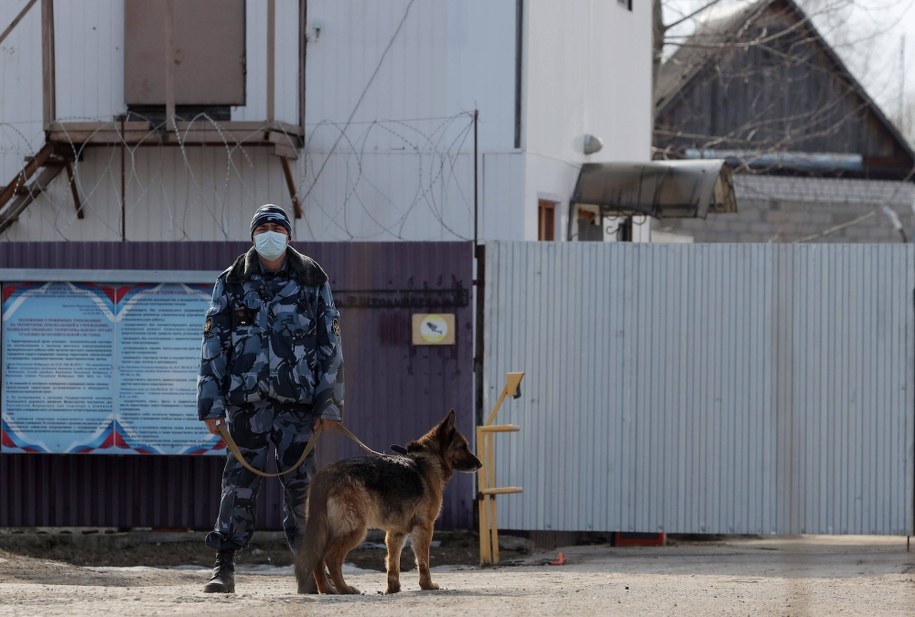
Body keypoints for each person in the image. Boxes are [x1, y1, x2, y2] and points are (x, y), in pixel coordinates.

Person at [196, 203, 344, 594]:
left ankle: (311, 573)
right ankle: (223, 568)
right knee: (238, 485)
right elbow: (214, 346)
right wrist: (210, 407)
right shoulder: (231, 281)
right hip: (247, 406)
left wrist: (329, 404)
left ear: (289, 235)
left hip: (298, 408)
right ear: (252, 236)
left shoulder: (313, 278)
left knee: (303, 490)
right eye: (262, 226)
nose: (270, 232)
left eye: (277, 225)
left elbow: (330, 344)